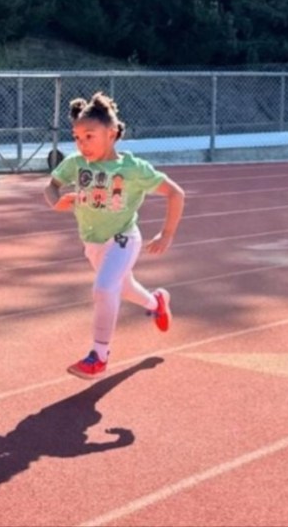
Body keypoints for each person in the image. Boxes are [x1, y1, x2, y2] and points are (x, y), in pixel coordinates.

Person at [45, 92, 186, 379]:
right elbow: (51, 186)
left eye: (90, 136)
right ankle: (156, 303)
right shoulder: (76, 164)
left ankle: (99, 355)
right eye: (77, 137)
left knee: (104, 288)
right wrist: (55, 201)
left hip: (123, 238)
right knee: (124, 288)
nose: (82, 144)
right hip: (92, 243)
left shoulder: (132, 168)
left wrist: (166, 234)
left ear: (111, 133)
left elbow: (176, 193)